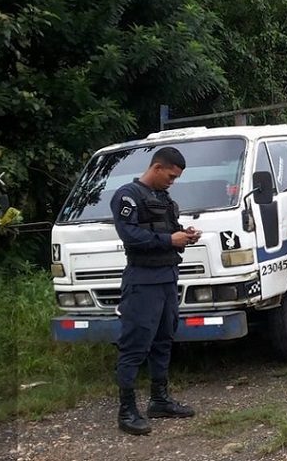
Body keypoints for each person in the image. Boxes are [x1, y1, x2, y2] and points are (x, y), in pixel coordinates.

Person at [110, 147, 200, 435]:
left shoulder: (163, 198)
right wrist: (168, 240)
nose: (172, 182)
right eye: (171, 176)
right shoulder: (128, 196)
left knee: (164, 339)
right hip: (142, 280)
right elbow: (130, 235)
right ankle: (127, 410)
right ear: (157, 167)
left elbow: (168, 231)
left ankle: (159, 400)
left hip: (167, 278)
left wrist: (185, 235)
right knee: (135, 344)